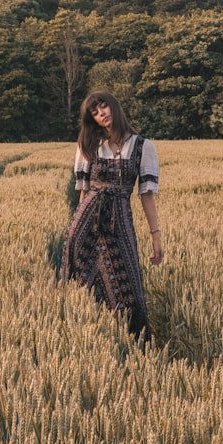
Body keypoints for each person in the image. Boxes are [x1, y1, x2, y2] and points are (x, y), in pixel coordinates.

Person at [61, 91, 163, 340]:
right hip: (87, 219)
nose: (101, 114)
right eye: (94, 113)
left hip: (120, 219)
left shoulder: (142, 146)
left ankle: (136, 344)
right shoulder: (90, 145)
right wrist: (75, 229)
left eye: (103, 107)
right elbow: (83, 192)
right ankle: (92, 339)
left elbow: (146, 195)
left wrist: (156, 236)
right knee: (81, 282)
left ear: (114, 106)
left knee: (131, 286)